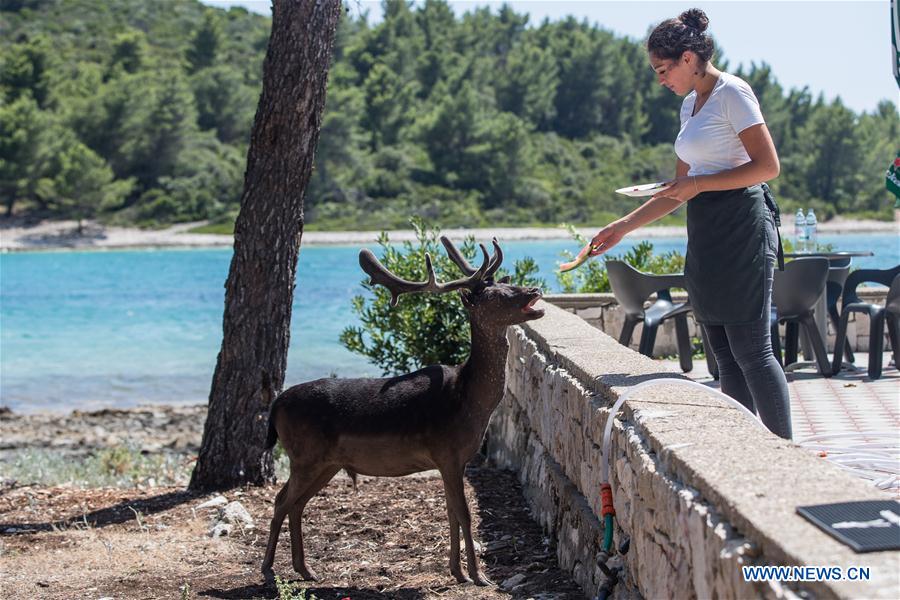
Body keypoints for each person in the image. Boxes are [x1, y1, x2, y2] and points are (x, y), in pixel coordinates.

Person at [589, 8, 792, 439]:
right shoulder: (689, 106)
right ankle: (742, 447)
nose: (660, 80)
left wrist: (698, 185)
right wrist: (622, 226)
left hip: (743, 225)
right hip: (706, 230)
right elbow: (677, 188)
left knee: (752, 351)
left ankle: (786, 452)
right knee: (722, 353)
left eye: (663, 70)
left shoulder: (733, 92)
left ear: (687, 58)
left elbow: (767, 167)